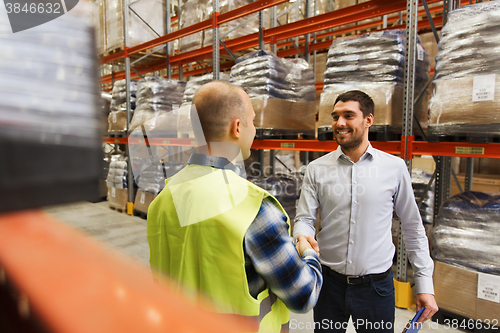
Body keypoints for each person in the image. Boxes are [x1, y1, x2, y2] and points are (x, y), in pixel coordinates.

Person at [147, 81, 323, 333]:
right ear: (237, 127)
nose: (255, 130)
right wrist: (308, 254)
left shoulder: (163, 199)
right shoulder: (254, 208)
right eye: (252, 122)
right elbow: (303, 296)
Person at [294, 90, 438, 333]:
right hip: (329, 285)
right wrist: (302, 236)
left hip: (376, 288)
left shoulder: (394, 168)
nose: (339, 123)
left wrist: (424, 284)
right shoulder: (317, 169)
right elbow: (304, 218)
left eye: (349, 115)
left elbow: (413, 227)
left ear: (368, 120)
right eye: (335, 116)